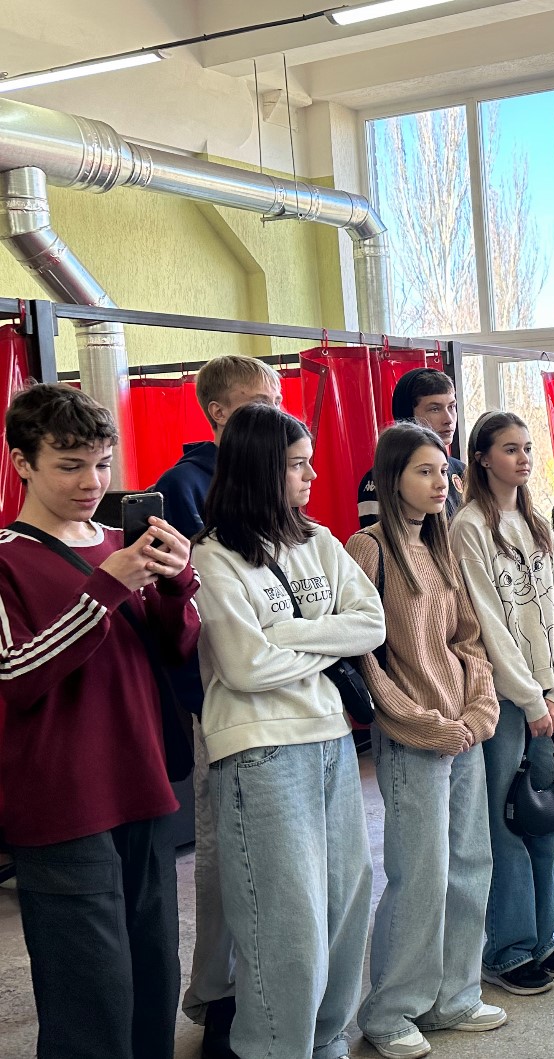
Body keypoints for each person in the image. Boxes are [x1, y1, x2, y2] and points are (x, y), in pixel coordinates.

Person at [0, 383, 199, 1059]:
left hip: (142, 783)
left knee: (154, 974)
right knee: (90, 989)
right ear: (22, 462)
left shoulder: (123, 542)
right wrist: (107, 588)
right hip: (62, 800)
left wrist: (176, 585)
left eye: (102, 463)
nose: (92, 482)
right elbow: (16, 673)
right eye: (70, 465)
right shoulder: (6, 558)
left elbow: (178, 648)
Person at [192, 403, 386, 1059]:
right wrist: (325, 646)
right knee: (285, 923)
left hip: (330, 737)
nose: (311, 475)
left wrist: (289, 635)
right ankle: (276, 1048)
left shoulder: (319, 540)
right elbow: (245, 667)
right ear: (259, 469)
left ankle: (326, 1041)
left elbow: (371, 623)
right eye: (297, 464)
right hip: (259, 749)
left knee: (345, 902)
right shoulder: (213, 556)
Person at [348, 423, 506, 1058]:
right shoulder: (368, 548)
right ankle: (390, 1011)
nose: (442, 482)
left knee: (470, 863)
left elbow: (468, 640)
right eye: (425, 470)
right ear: (392, 479)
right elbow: (364, 656)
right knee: (421, 875)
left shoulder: (442, 547)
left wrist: (479, 710)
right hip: (413, 737)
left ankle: (453, 997)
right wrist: (421, 722)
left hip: (465, 732)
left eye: (444, 470)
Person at [151, 353, 281, 1059]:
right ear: (222, 413)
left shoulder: (278, 476)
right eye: (263, 401)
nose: (277, 412)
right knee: (223, 850)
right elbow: (198, 606)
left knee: (273, 852)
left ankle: (268, 983)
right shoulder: (184, 487)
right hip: (221, 696)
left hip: (283, 693)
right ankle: (218, 994)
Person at [452, 411, 554, 998]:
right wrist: (529, 699)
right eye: (510, 448)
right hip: (509, 702)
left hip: (550, 700)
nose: (523, 458)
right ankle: (507, 949)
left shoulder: (536, 522)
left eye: (528, 447)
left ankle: (545, 938)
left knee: (547, 821)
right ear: (482, 457)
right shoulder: (470, 527)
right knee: (508, 823)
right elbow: (489, 625)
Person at [359, 368, 465, 528]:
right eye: (435, 409)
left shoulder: (461, 470)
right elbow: (381, 538)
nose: (448, 419)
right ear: (408, 415)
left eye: (451, 407)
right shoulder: (380, 477)